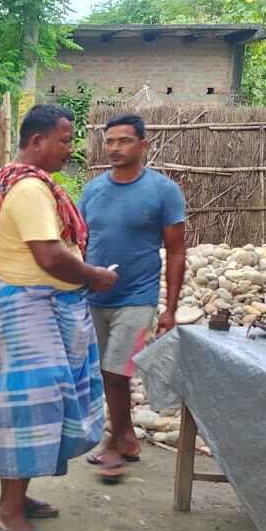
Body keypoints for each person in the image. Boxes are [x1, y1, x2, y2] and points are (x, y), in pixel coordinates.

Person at [0, 104, 117, 531]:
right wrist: (94, 276)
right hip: (30, 309)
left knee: (41, 410)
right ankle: (8, 511)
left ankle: (18, 495)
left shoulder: (23, 182)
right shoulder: (30, 189)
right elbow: (50, 256)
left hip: (39, 307)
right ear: (36, 142)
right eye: (64, 140)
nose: (70, 150)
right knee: (30, 413)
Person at [78, 114, 186, 481]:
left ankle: (115, 440)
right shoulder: (92, 190)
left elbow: (175, 252)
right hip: (94, 298)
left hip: (137, 296)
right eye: (109, 142)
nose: (114, 148)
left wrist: (169, 308)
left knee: (117, 368)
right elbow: (80, 242)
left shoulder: (163, 191)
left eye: (123, 141)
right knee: (106, 371)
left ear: (143, 145)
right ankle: (127, 438)